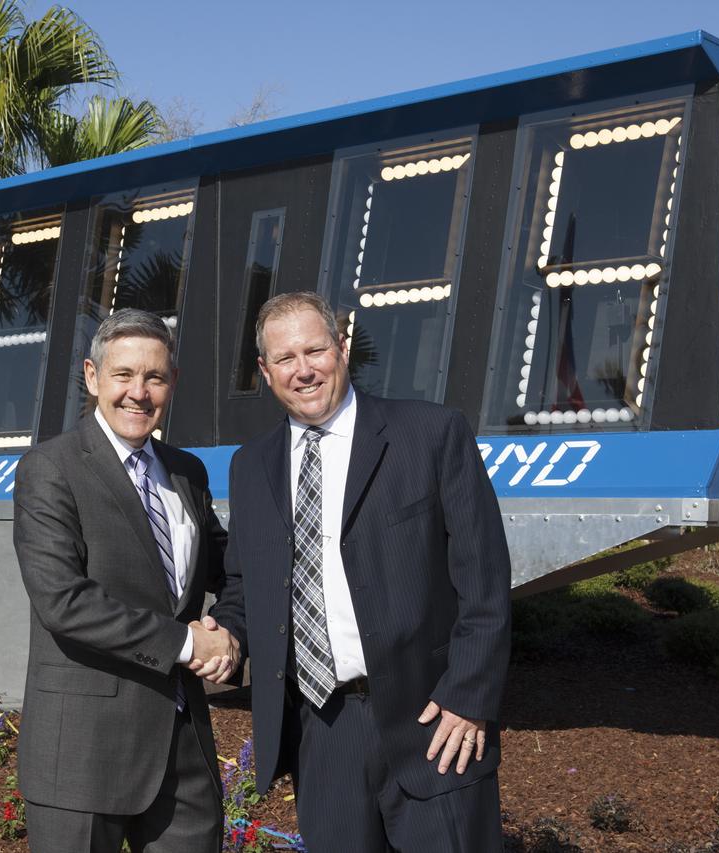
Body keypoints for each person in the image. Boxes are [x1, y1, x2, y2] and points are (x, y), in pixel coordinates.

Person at [207, 291, 512, 851]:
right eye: (285, 358)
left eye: (315, 350)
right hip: (323, 733)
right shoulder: (250, 467)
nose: (303, 370)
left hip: (433, 719)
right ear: (264, 371)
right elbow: (245, 585)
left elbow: (485, 582)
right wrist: (226, 634)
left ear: (342, 348)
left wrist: (469, 697)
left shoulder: (432, 434)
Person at [13, 308, 241, 853]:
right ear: (92, 377)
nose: (139, 392)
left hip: (182, 748)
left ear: (172, 384)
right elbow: (63, 602)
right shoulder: (50, 468)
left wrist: (230, 629)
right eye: (123, 375)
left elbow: (230, 566)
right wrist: (189, 644)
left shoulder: (187, 471)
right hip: (83, 755)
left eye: (155, 377)